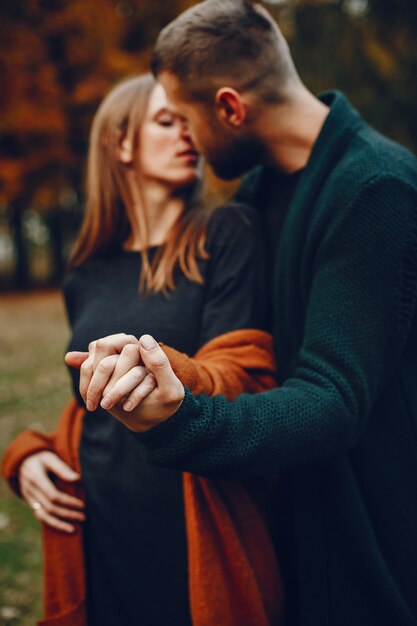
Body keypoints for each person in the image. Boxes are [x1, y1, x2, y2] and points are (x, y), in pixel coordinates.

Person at [67, 2, 417, 626]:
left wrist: (180, 418)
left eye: (186, 119)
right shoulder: (262, 191)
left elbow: (329, 399)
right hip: (286, 527)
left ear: (229, 107)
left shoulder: (377, 190)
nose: (188, 141)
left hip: (369, 542)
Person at [2, 73, 285, 626]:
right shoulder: (86, 270)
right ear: (120, 143)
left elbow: (242, 375)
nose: (188, 134)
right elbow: (88, 400)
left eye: (190, 122)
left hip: (192, 522)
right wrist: (33, 453)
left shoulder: (225, 233)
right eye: (166, 121)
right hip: (101, 527)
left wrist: (160, 368)